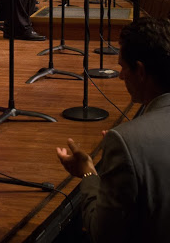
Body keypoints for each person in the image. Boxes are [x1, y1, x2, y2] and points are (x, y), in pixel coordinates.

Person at [57, 17, 170, 243]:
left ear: (139, 70)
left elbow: (103, 233)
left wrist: (88, 172)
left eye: (122, 67)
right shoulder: (129, 140)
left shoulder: (124, 141)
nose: (120, 75)